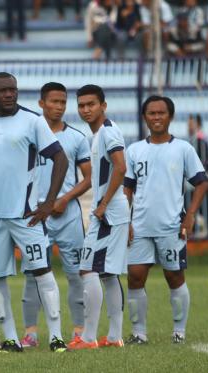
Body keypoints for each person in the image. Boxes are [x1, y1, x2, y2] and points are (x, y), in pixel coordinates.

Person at [0, 72, 69, 353]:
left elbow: (60, 158)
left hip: (27, 216)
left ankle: (56, 337)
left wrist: (49, 202)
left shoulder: (33, 121)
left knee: (43, 272)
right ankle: (10, 337)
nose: (9, 94)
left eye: (13, 90)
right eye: (3, 90)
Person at [124, 95, 208, 345]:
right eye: (152, 113)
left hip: (172, 226)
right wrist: (125, 221)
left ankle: (179, 332)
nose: (157, 117)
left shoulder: (183, 148)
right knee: (135, 277)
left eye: (161, 113)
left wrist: (191, 214)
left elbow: (201, 183)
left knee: (174, 277)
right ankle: (139, 333)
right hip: (139, 227)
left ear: (170, 117)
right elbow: (127, 189)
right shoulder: (134, 150)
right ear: (144, 117)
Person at [20, 83, 91, 347]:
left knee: (75, 274)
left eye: (63, 102)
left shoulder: (76, 137)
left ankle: (79, 330)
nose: (59, 106)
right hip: (35, 215)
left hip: (67, 213)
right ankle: (31, 333)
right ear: (41, 103)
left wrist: (64, 199)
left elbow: (88, 178)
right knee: (32, 274)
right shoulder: (28, 135)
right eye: (54, 102)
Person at [68, 84, 128, 350]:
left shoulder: (108, 132)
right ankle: (114, 337)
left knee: (88, 269)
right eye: (81, 105)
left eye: (91, 104)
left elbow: (121, 166)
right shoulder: (98, 134)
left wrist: (103, 204)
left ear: (103, 105)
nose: (86, 109)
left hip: (108, 214)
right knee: (108, 274)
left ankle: (89, 338)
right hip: (110, 213)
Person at [187, 114, 208, 237]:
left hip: (198, 182)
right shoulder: (196, 139)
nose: (188, 127)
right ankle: (203, 230)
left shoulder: (199, 140)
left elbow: (204, 162)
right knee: (200, 209)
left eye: (191, 124)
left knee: (201, 209)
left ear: (197, 124)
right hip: (195, 182)